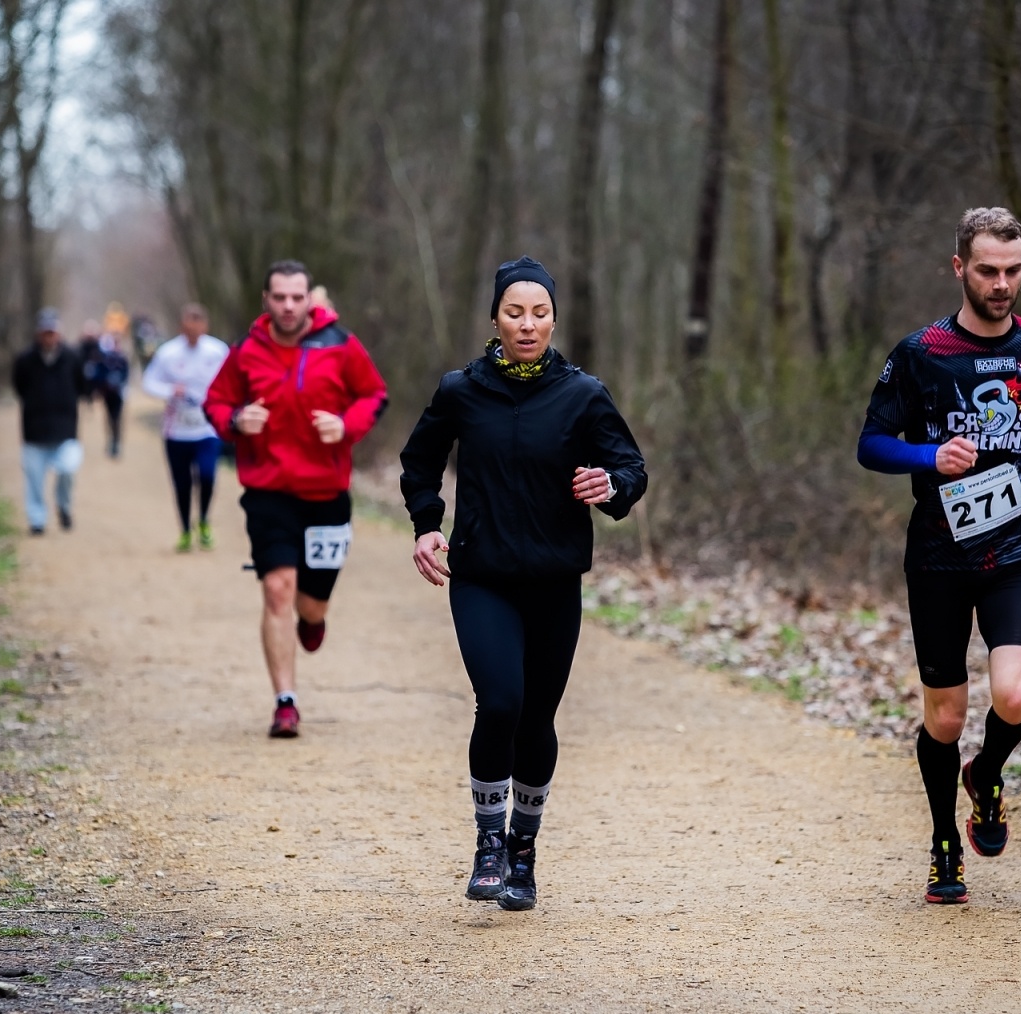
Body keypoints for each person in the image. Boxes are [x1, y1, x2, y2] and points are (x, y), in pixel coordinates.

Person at [400, 256, 648, 911]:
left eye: (540, 313)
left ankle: (523, 852)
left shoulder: (583, 394)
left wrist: (611, 485)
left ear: (554, 321)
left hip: (554, 580)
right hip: (481, 576)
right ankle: (489, 844)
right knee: (501, 703)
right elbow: (419, 461)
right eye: (515, 312)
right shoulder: (461, 391)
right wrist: (427, 524)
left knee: (537, 718)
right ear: (495, 319)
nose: (528, 324)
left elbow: (631, 468)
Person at [856, 207, 1021, 905]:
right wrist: (930, 456)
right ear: (960, 268)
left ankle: (985, 776)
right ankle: (942, 843)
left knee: (1015, 695)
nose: (1001, 284)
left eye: (1013, 270)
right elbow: (871, 444)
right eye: (987, 270)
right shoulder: (921, 352)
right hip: (938, 556)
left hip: (1015, 547)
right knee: (946, 717)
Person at [203, 261, 388, 738]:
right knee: (277, 590)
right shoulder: (247, 351)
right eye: (279, 297)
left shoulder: (340, 344)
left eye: (296, 297)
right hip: (268, 492)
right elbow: (215, 402)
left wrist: (346, 425)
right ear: (265, 300)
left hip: (326, 494)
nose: (288, 306)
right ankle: (285, 702)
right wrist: (236, 420)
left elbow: (374, 395)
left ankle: (312, 618)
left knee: (311, 606)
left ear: (310, 300)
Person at [144, 304, 230, 551]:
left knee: (207, 476)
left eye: (198, 324)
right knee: (182, 483)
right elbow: (149, 382)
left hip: (207, 429)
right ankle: (184, 529)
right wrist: (171, 390)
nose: (193, 330)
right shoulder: (168, 353)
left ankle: (203, 520)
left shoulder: (218, 351)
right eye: (188, 325)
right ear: (181, 327)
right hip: (176, 431)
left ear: (205, 326)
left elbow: (232, 380)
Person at [12, 308, 85, 536]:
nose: (49, 337)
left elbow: (81, 384)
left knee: (68, 469)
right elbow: (19, 386)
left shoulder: (72, 357)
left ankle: (64, 506)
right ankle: (37, 520)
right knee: (34, 479)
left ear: (59, 333)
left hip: (65, 428)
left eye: (52, 332)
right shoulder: (25, 359)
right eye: (45, 332)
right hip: (34, 430)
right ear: (38, 333)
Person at [87, 332, 130, 458]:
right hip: (107, 393)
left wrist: (118, 381)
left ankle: (116, 441)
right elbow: (98, 374)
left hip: (118, 393)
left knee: (117, 418)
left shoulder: (122, 358)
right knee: (109, 417)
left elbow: (125, 374)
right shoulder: (104, 358)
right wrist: (104, 383)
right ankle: (111, 440)